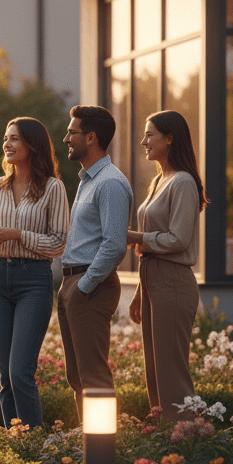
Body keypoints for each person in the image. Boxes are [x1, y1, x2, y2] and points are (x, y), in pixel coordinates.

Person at [0, 117, 69, 430]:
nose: (7, 144)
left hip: (34, 280)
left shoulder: (53, 188)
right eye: (6, 138)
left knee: (20, 373)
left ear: (32, 145)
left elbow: (57, 243)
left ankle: (36, 448)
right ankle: (17, 444)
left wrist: (16, 234)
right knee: (4, 376)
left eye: (14, 139)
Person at [127, 110, 206, 420]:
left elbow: (178, 239)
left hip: (173, 280)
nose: (144, 141)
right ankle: (163, 436)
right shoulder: (160, 180)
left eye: (150, 135)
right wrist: (139, 290)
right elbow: (152, 246)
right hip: (153, 279)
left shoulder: (183, 182)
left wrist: (133, 235)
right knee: (155, 369)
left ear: (170, 139)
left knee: (171, 370)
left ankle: (186, 437)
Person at [58, 105, 133, 421]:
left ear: (91, 138)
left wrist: (85, 285)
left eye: (72, 132)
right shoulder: (88, 180)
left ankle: (104, 457)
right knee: (78, 377)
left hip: (90, 283)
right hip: (73, 283)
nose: (66, 139)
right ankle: (87, 447)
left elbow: (115, 245)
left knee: (94, 377)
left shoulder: (110, 183)